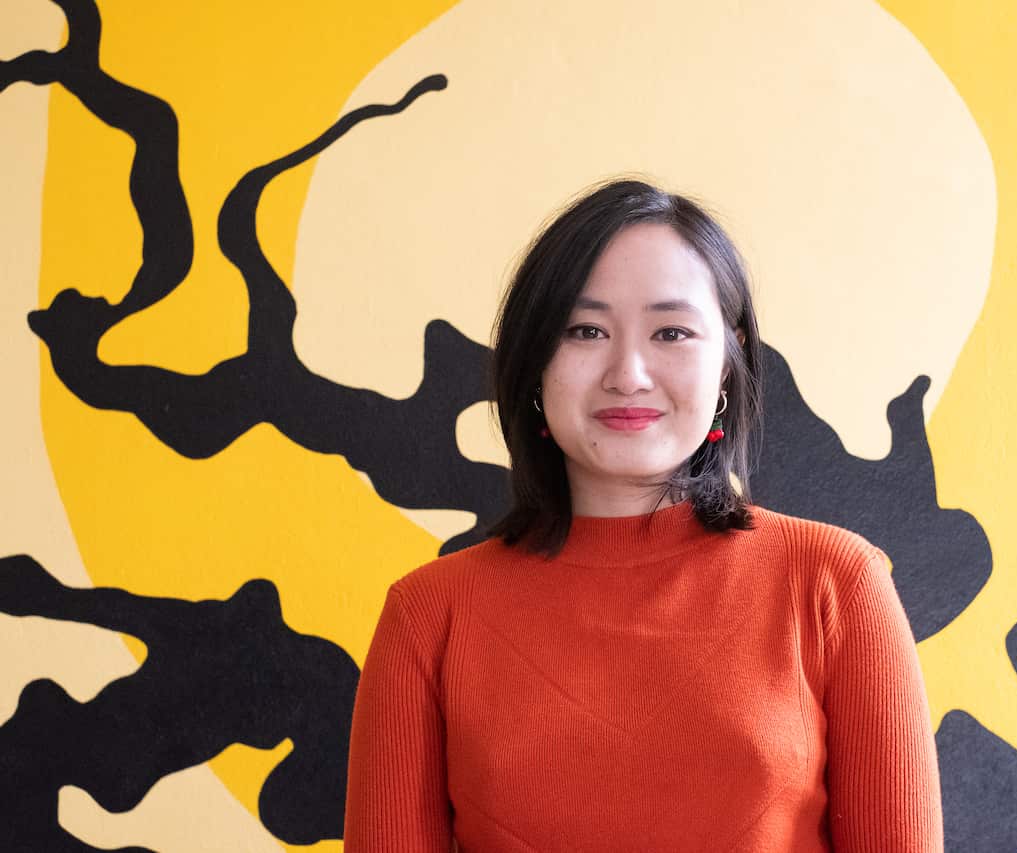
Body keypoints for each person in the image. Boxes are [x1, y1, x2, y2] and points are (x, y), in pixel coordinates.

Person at [343, 178, 943, 851]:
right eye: (585, 330)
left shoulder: (837, 584)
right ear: (533, 361)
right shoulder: (429, 615)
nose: (628, 372)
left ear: (728, 359)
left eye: (672, 331)